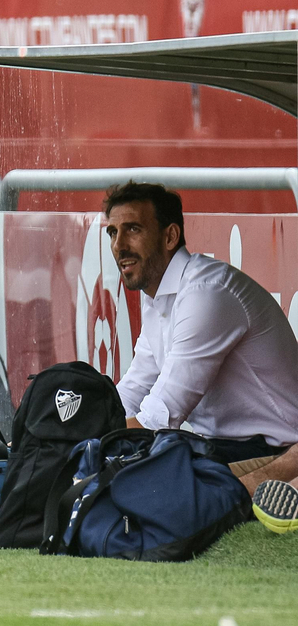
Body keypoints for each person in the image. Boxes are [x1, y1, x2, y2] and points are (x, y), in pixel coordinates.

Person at [104, 183, 298, 465]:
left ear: (170, 236)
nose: (119, 245)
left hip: (281, 453)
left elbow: (159, 416)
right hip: (227, 449)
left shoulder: (206, 291)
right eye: (113, 232)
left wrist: (83, 439)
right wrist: (73, 430)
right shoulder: (158, 295)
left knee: (134, 479)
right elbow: (133, 390)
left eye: (133, 229)